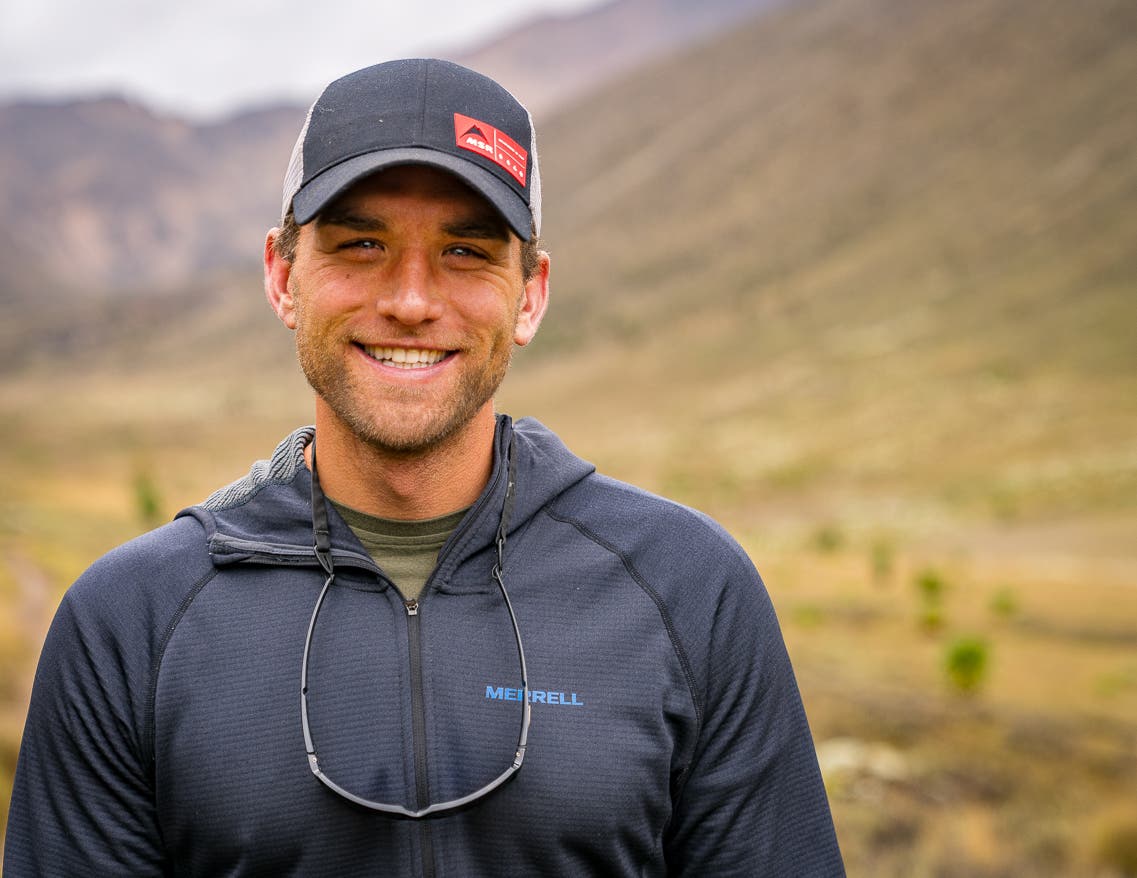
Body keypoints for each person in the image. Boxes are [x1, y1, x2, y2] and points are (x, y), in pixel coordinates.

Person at [4, 59, 844, 876]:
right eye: (361, 243)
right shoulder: (130, 622)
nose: (410, 299)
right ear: (282, 275)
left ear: (531, 294)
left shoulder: (689, 587)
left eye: (466, 252)